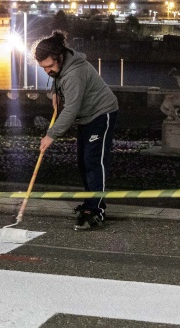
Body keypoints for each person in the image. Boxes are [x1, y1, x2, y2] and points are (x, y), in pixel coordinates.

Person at [31, 30, 119, 231]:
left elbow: (71, 109)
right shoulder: (61, 67)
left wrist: (51, 135)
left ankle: (96, 211)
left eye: (50, 66)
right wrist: (54, 93)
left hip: (101, 113)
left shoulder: (75, 73)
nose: (47, 71)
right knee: (83, 161)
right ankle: (92, 203)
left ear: (59, 58)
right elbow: (57, 80)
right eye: (43, 68)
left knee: (94, 161)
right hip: (86, 117)